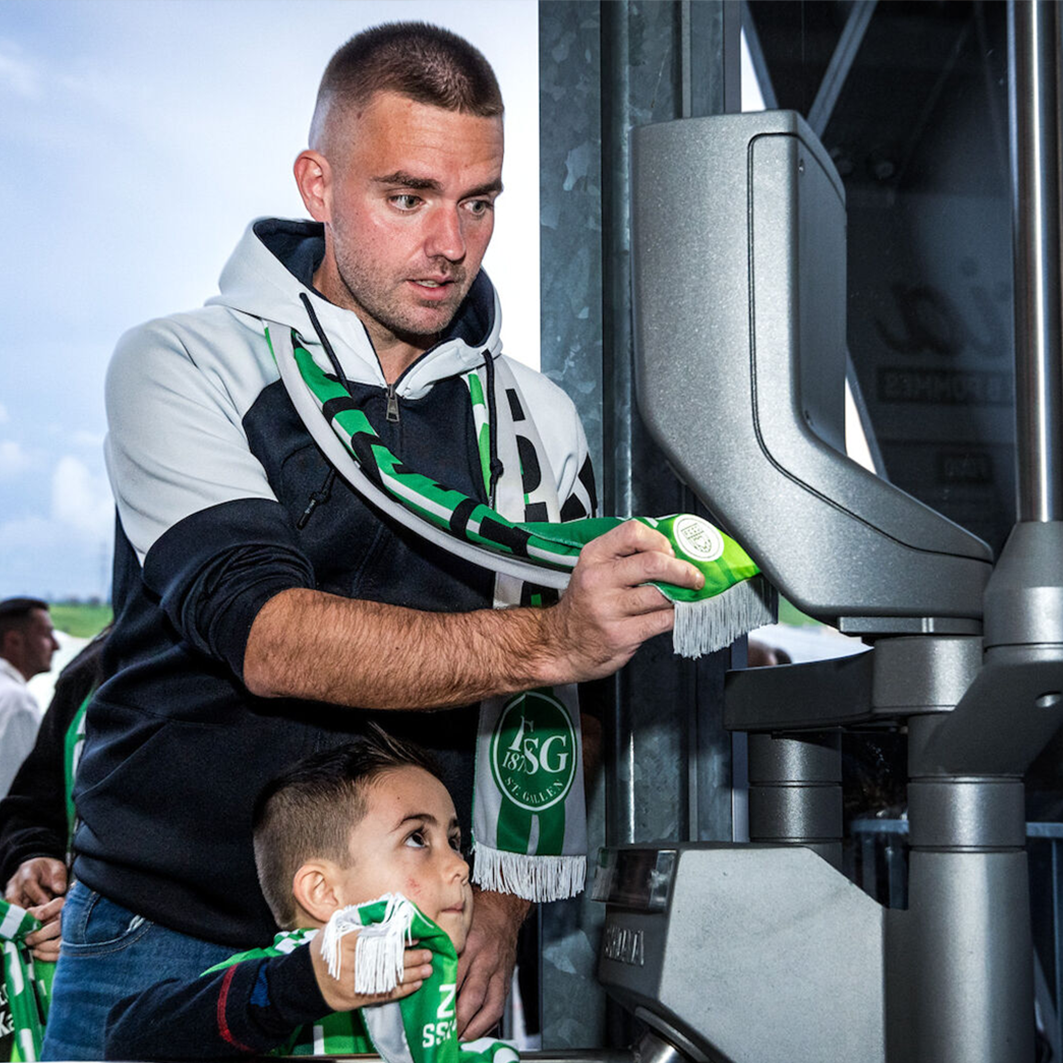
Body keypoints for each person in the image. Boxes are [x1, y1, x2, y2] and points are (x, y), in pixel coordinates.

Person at [42, 22, 702, 1060]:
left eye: (477, 201)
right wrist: (549, 643)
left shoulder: (535, 422)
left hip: (419, 948)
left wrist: (496, 907)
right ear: (317, 183)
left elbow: (570, 702)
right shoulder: (184, 360)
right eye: (408, 196)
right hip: (166, 934)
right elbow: (269, 635)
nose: (451, 242)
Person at [103, 736, 473, 1059]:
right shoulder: (272, 975)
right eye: (417, 839)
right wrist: (302, 984)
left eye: (454, 842)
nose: (459, 866)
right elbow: (126, 1038)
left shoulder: (448, 985)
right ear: (323, 892)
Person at [1, 628, 110, 964]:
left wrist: (115, 922)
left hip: (202, 969)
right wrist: (30, 856)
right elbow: (33, 802)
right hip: (66, 953)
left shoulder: (241, 662)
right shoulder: (89, 667)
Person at [0, 599, 60, 798]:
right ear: (14, 641)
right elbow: (15, 793)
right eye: (46, 634)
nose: (56, 645)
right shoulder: (17, 702)